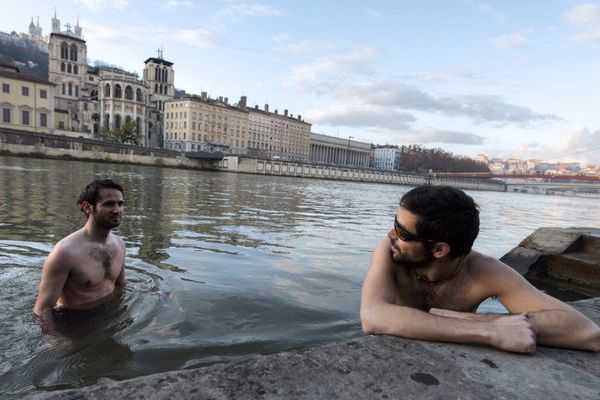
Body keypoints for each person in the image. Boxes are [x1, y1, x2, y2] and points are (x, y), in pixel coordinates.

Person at [360, 185, 600, 354]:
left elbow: (588, 333)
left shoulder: (484, 271)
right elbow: (372, 317)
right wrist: (488, 330)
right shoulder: (390, 252)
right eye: (395, 224)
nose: (391, 235)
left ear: (439, 250)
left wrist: (486, 318)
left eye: (402, 232)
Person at [33, 179, 126, 335]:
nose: (117, 210)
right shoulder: (64, 253)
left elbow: (121, 285)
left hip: (108, 314)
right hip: (73, 320)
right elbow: (41, 309)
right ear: (87, 207)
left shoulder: (120, 244)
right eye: (109, 204)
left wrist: (150, 292)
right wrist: (58, 340)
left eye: (120, 204)